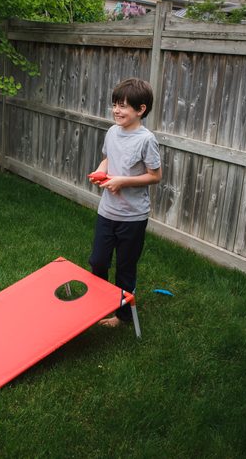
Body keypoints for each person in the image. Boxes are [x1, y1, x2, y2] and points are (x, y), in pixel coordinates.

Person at [88, 78, 162, 327]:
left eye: (123, 106)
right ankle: (98, 306)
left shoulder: (146, 140)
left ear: (140, 110)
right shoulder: (112, 132)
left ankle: (121, 316)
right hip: (107, 211)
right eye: (115, 105)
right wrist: (100, 171)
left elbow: (155, 176)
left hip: (133, 217)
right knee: (98, 261)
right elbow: (108, 159)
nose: (116, 111)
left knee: (125, 268)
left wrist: (122, 181)